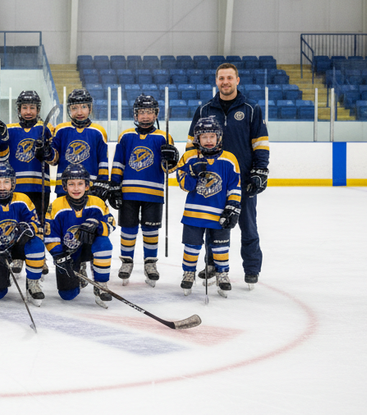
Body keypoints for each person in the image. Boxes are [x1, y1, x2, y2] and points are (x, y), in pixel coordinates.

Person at [188, 63, 269, 287]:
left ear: (237, 80)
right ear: (216, 81)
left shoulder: (251, 109)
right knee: (213, 225)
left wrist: (260, 170)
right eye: (221, 78)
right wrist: (193, 166)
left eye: (229, 78)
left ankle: (251, 268)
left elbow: (260, 143)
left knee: (248, 226)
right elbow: (191, 144)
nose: (225, 82)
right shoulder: (204, 110)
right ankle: (212, 264)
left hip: (242, 180)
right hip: (212, 181)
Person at [106, 94, 180, 288]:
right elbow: (119, 163)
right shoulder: (126, 136)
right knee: (128, 229)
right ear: (135, 114)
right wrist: (114, 186)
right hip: (128, 193)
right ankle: (127, 262)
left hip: (153, 194)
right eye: (141, 112)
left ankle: (150, 264)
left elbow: (168, 169)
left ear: (156, 114)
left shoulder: (164, 137)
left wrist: (172, 160)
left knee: (150, 229)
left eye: (149, 112)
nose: (145, 116)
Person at [174, 116, 242, 297]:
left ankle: (222, 274)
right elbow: (185, 186)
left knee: (221, 247)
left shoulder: (229, 159)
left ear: (219, 137)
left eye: (212, 136)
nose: (209, 140)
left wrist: (232, 206)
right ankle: (188, 273)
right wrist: (192, 173)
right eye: (204, 137)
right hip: (194, 214)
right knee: (191, 246)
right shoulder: (189, 157)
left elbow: (235, 186)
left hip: (219, 213)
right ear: (197, 139)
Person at [0, 162, 46, 305]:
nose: (2, 187)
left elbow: (35, 222)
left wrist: (26, 228)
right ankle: (3, 274)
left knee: (36, 244)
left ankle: (33, 282)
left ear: (13, 183)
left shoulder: (23, 199)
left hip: (18, 244)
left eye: (6, 182)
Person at [45, 164, 116, 308]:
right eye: (71, 184)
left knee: (103, 243)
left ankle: (101, 284)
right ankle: (79, 269)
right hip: (69, 252)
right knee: (67, 295)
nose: (76, 188)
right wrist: (59, 255)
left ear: (87, 185)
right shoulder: (56, 205)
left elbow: (111, 224)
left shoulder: (97, 203)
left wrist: (98, 225)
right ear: (64, 187)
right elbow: (50, 235)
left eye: (80, 184)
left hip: (89, 247)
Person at [0, 90, 56, 220]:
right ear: (19, 109)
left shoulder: (46, 128)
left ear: (38, 110)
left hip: (40, 187)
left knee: (39, 223)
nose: (28, 112)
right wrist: (0, 141)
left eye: (32, 108)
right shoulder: (9, 129)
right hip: (16, 187)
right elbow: (0, 157)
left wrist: (46, 151)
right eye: (24, 108)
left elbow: (55, 159)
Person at [50, 87, 110, 205]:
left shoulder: (98, 131)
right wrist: (46, 151)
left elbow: (103, 161)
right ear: (69, 109)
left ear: (90, 108)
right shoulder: (61, 130)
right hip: (64, 187)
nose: (79, 112)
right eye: (74, 108)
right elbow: (53, 160)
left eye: (83, 107)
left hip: (90, 188)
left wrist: (102, 183)